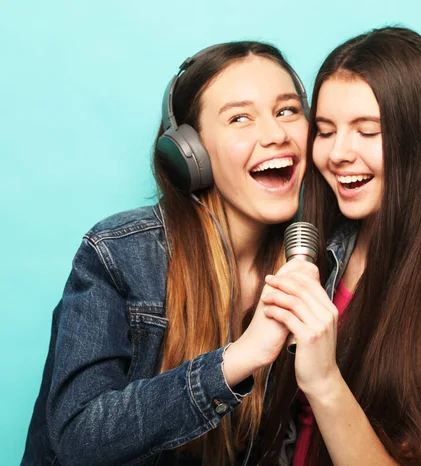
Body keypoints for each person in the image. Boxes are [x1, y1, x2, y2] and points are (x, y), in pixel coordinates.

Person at [21, 41, 309, 466]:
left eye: (287, 110)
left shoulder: (319, 261)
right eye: (240, 118)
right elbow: (78, 437)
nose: (275, 134)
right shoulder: (120, 254)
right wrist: (239, 358)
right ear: (189, 152)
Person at [258, 27, 421, 465]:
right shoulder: (315, 255)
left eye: (367, 131)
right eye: (325, 131)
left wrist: (324, 380)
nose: (338, 153)